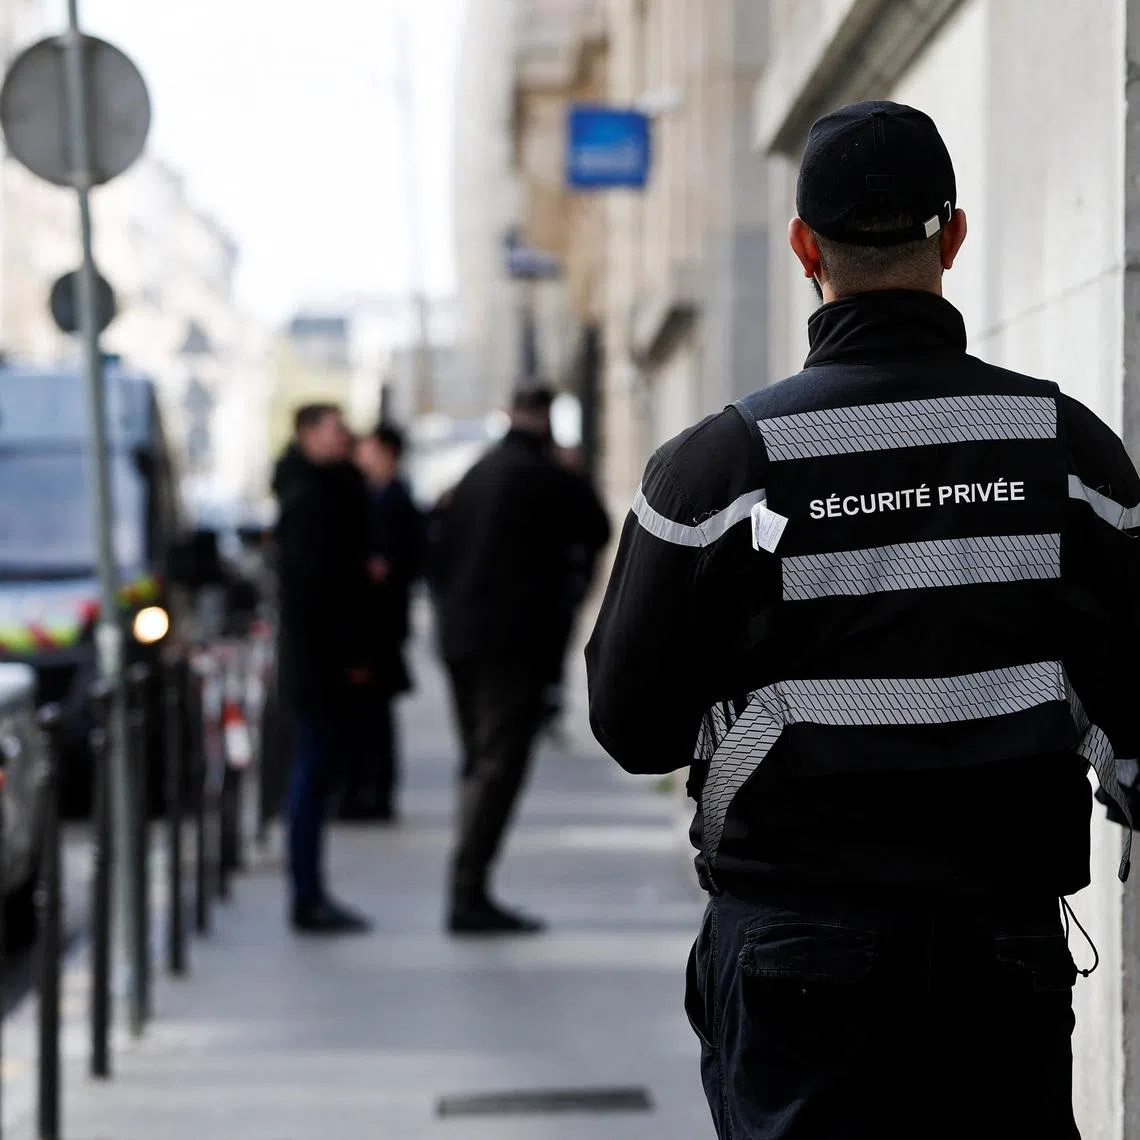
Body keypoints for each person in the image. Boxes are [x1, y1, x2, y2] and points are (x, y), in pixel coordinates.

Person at [586, 100, 1140, 1139]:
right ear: (954, 237)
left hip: (798, 956)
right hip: (1002, 957)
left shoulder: (721, 469)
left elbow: (631, 727)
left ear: (805, 248)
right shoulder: (1069, 451)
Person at [437, 385, 611, 935]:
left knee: (479, 761)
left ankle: (468, 885)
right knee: (498, 765)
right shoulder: (540, 474)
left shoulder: (480, 471)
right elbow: (598, 527)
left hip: (463, 639)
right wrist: (574, 472)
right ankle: (468, 892)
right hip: (510, 646)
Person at [272, 403, 373, 935]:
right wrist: (348, 658)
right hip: (319, 669)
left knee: (316, 776)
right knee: (311, 778)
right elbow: (315, 596)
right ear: (307, 434)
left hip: (322, 664)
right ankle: (306, 896)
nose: (346, 438)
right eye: (336, 430)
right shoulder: (310, 501)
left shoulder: (326, 491)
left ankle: (310, 893)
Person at [340, 422, 422, 822]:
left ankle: (375, 794)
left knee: (374, 715)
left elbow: (400, 562)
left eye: (368, 449)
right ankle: (369, 791)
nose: (360, 456)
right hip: (378, 625)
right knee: (369, 715)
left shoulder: (393, 499)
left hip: (380, 627)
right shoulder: (378, 495)